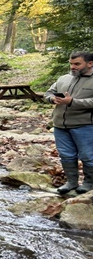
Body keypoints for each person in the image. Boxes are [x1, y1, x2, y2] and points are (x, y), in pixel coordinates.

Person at [44, 51, 93, 195]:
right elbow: (47, 93)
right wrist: (52, 99)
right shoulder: (64, 79)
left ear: (90, 63)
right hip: (60, 125)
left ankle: (89, 183)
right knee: (66, 155)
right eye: (71, 64)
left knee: (88, 156)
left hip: (85, 125)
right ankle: (71, 182)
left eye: (77, 64)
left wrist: (72, 102)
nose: (73, 67)